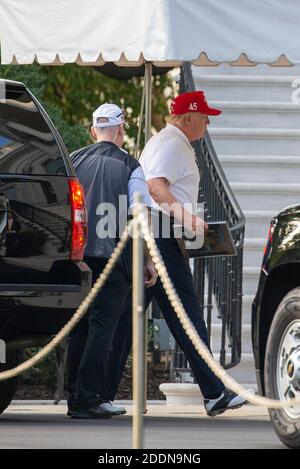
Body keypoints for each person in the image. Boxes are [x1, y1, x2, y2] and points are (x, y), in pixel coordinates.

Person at [103, 91, 249, 417]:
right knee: (186, 316)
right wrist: (189, 218)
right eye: (204, 117)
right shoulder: (173, 144)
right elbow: (155, 186)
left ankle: (97, 393)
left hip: (155, 235)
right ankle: (214, 392)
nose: (208, 123)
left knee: (131, 318)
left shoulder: (168, 141)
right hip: (162, 236)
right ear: (188, 118)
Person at [67, 103, 156, 419]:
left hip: (76, 257)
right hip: (114, 258)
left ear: (93, 131)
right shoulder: (132, 167)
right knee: (102, 329)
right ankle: (88, 399)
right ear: (120, 131)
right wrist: (147, 259)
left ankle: (73, 396)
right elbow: (140, 214)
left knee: (78, 328)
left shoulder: (73, 161)